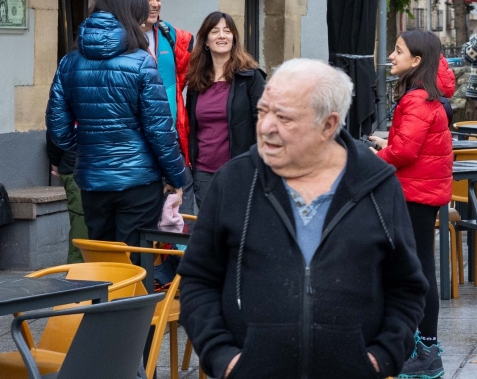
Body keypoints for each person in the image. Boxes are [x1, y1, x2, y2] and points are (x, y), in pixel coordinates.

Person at [178, 59, 428, 379]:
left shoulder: (376, 185)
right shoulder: (234, 181)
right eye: (263, 111)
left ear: (328, 125)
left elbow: (406, 287)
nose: (266, 126)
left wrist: (381, 357)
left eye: (283, 117)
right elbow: (198, 280)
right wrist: (223, 357)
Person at [46, 0, 186, 263]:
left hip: (93, 181)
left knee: (101, 263)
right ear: (132, 14)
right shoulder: (141, 62)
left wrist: (90, 147)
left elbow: (58, 129)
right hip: (138, 181)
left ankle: (103, 307)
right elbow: (160, 131)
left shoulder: (69, 62)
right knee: (134, 263)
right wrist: (177, 177)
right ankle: (130, 307)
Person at [369, 30, 452, 379]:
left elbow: (404, 153)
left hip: (416, 195)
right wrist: (386, 141)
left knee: (418, 272)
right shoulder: (424, 95)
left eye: (398, 51)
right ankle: (418, 345)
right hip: (421, 191)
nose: (391, 55)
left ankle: (428, 351)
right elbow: (408, 142)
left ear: (416, 61)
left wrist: (375, 157)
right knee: (416, 269)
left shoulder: (417, 99)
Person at [128, 0, 196, 215]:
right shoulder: (118, 40)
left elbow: (182, 78)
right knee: (147, 217)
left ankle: (177, 254)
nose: (155, 4)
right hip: (135, 145)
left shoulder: (172, 36)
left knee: (180, 214)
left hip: (171, 140)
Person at [185, 12, 266, 208]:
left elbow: (264, 123)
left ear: (234, 39)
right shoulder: (196, 81)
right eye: (215, 31)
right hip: (203, 174)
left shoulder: (251, 77)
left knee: (238, 234)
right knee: (211, 234)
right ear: (205, 41)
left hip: (240, 172)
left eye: (227, 31)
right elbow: (190, 126)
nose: (222, 36)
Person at [46, 133, 87, 264]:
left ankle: (80, 270)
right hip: (80, 164)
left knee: (82, 218)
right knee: (82, 219)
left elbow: (56, 128)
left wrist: (56, 161)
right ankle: (78, 271)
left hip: (77, 162)